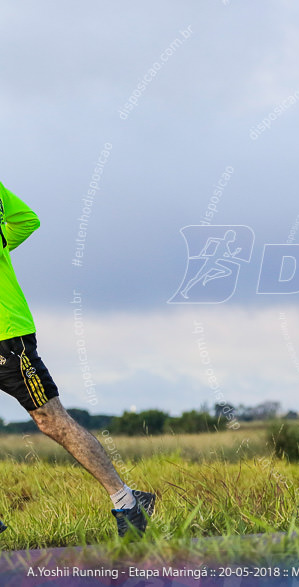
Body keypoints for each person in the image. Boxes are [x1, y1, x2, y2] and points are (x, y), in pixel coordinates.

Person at [0, 180, 155, 537]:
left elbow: (26, 220)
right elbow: (23, 223)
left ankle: (127, 502)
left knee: (50, 420)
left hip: (8, 338)